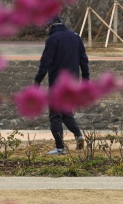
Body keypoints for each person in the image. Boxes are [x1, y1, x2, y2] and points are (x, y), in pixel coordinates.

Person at [34, 16, 88, 155]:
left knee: (55, 115)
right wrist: (86, 80)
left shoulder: (53, 39)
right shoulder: (76, 37)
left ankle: (60, 148)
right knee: (65, 112)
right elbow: (84, 60)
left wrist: (37, 81)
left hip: (58, 83)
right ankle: (78, 135)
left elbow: (45, 63)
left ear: (50, 25)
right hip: (73, 82)